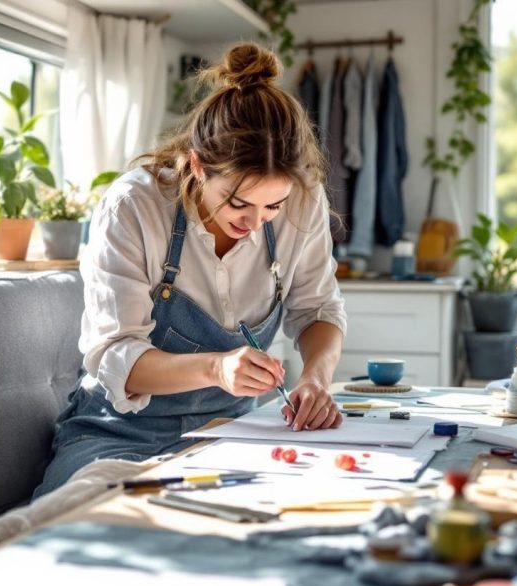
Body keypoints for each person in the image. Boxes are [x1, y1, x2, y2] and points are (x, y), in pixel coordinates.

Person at [33, 43, 347, 499]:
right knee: (87, 519)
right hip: (122, 434)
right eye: (238, 202)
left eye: (272, 206)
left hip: (235, 431)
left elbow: (318, 308)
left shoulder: (304, 199)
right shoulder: (135, 206)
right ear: (198, 165)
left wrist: (315, 379)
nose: (254, 222)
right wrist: (217, 368)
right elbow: (114, 354)